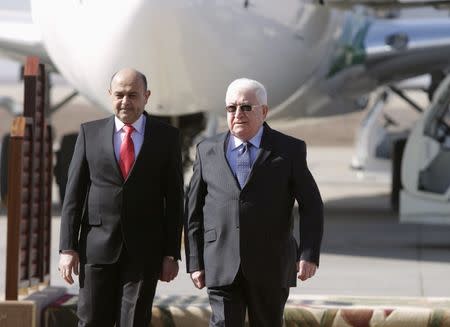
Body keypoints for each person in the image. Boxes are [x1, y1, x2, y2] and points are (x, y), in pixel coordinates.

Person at [184, 78, 324, 327]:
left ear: (264, 111)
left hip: (270, 265)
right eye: (231, 108)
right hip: (221, 264)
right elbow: (193, 211)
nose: (238, 114)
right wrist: (195, 261)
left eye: (246, 107)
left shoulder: (288, 150)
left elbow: (311, 205)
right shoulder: (207, 150)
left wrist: (309, 254)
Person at [58, 68, 184, 326]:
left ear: (146, 96)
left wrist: (171, 253)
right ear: (109, 96)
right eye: (119, 95)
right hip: (96, 250)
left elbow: (174, 200)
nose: (125, 101)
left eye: (133, 95)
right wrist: (67, 247)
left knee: (135, 321)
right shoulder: (89, 134)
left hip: (144, 252)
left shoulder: (167, 138)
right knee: (92, 320)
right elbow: (74, 195)